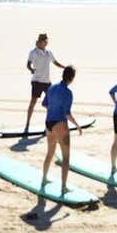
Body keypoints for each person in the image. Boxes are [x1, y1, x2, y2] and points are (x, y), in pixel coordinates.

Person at [41, 66, 81, 194]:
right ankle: (63, 187)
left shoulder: (51, 87)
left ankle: (44, 179)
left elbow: (44, 104)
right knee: (66, 157)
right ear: (72, 78)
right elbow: (67, 114)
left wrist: (53, 109)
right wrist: (78, 125)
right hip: (60, 124)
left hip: (48, 123)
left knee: (50, 152)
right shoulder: (68, 93)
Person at [25, 33, 65, 134]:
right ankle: (27, 124)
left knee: (51, 103)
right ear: (39, 42)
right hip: (37, 81)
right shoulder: (33, 52)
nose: (46, 42)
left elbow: (55, 62)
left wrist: (64, 67)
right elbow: (28, 64)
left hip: (47, 82)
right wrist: (31, 69)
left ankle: (49, 124)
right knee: (33, 102)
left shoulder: (48, 53)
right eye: (44, 40)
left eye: (46, 40)